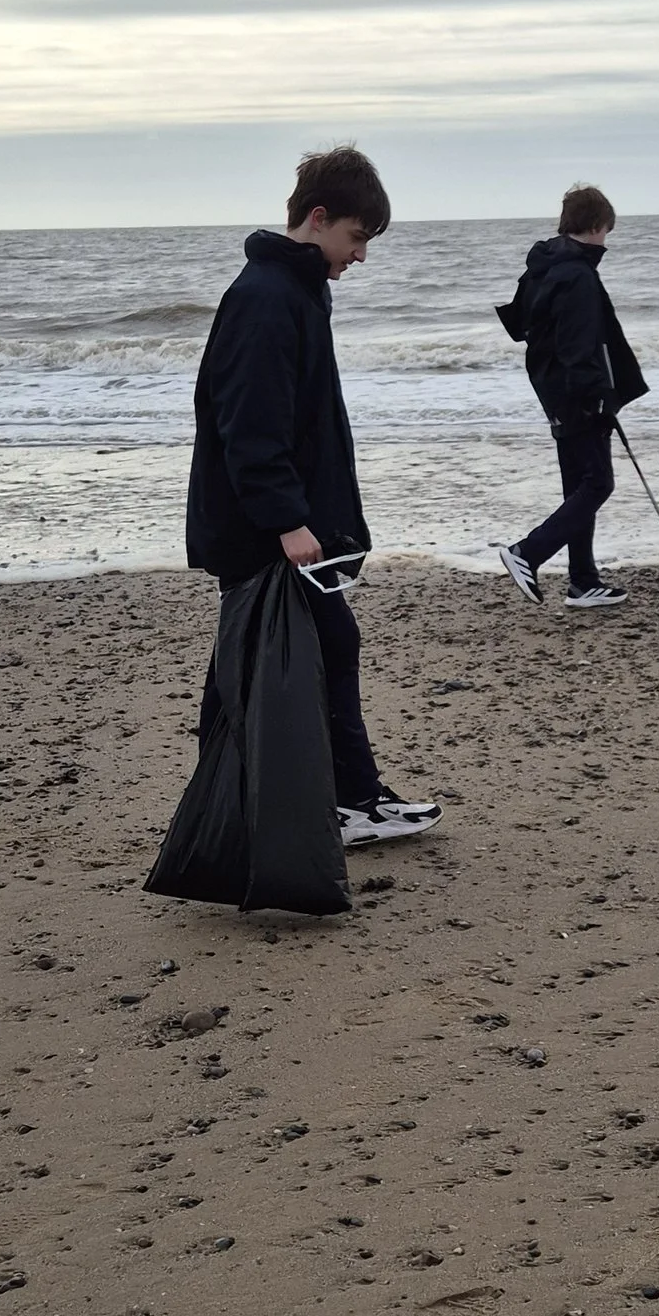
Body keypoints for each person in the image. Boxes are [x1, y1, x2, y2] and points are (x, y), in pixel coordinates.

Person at [185, 147, 440, 848]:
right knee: (294, 655)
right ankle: (326, 804)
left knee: (261, 664)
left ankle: (272, 810)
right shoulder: (265, 297)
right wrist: (288, 520)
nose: (361, 255)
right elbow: (248, 424)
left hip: (275, 524)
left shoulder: (295, 289)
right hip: (264, 530)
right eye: (357, 238)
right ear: (319, 218)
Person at [496, 183, 648, 611]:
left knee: (578, 485)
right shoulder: (577, 275)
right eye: (606, 231)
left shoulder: (544, 265)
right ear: (598, 225)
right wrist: (599, 398)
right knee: (598, 482)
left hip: (552, 389)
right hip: (576, 394)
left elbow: (522, 324)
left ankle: (582, 582)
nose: (606, 240)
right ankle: (527, 552)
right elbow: (579, 345)